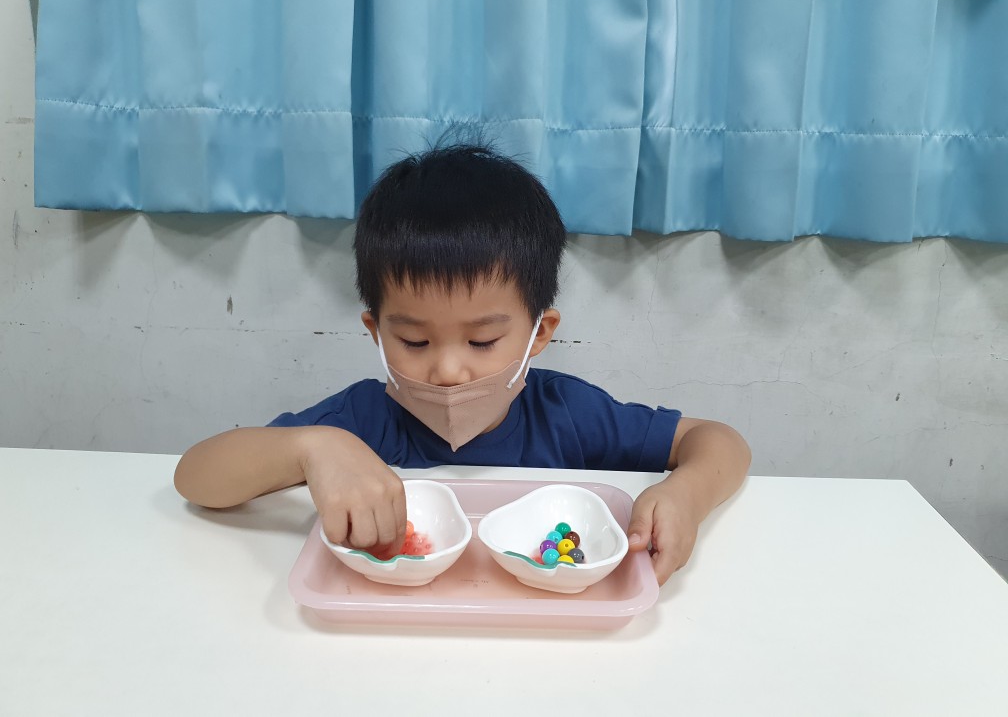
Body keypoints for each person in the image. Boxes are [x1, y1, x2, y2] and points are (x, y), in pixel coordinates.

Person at [174, 141, 750, 585]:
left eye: (482, 342)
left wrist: (687, 495)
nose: (448, 371)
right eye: (414, 341)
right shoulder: (360, 421)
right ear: (376, 332)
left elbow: (719, 442)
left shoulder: (567, 413)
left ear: (539, 333)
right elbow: (195, 477)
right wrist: (312, 449)